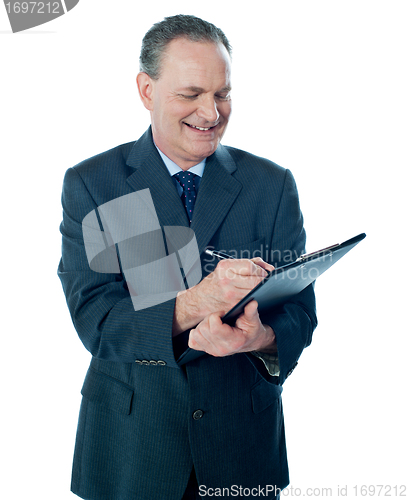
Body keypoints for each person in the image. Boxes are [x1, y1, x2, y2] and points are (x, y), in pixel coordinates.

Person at [58, 14, 317, 500]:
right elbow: (99, 323)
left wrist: (258, 339)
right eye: (190, 93)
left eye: (222, 93)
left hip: (241, 448)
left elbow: (300, 315)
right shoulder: (95, 184)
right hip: (132, 452)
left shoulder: (271, 185)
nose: (211, 112)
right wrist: (197, 303)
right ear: (146, 90)